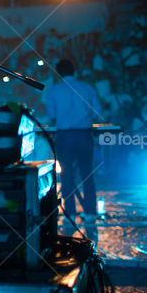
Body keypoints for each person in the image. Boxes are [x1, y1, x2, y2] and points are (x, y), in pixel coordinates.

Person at [43, 58, 103, 225]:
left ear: (58, 73)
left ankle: (70, 212)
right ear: (74, 71)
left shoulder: (54, 91)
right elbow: (96, 112)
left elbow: (52, 115)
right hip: (84, 135)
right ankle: (90, 213)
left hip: (65, 136)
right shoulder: (87, 88)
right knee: (87, 174)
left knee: (66, 176)